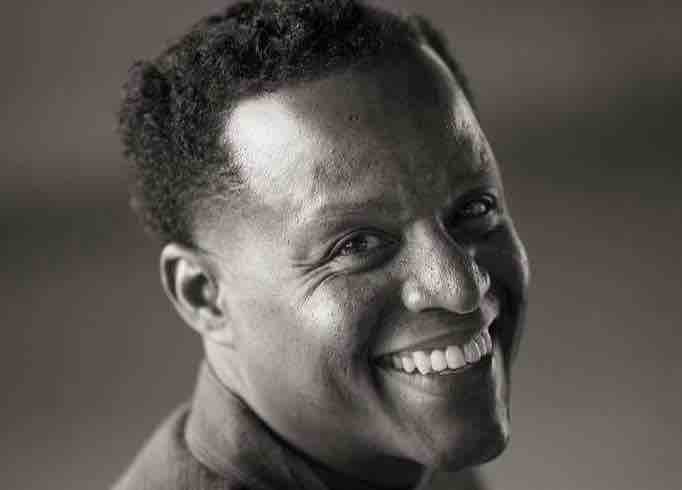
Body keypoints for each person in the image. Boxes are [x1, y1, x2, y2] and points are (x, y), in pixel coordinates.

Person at [113, 1, 530, 489]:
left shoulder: (395, 449)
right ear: (203, 294)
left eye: (474, 208)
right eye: (356, 244)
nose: (460, 289)